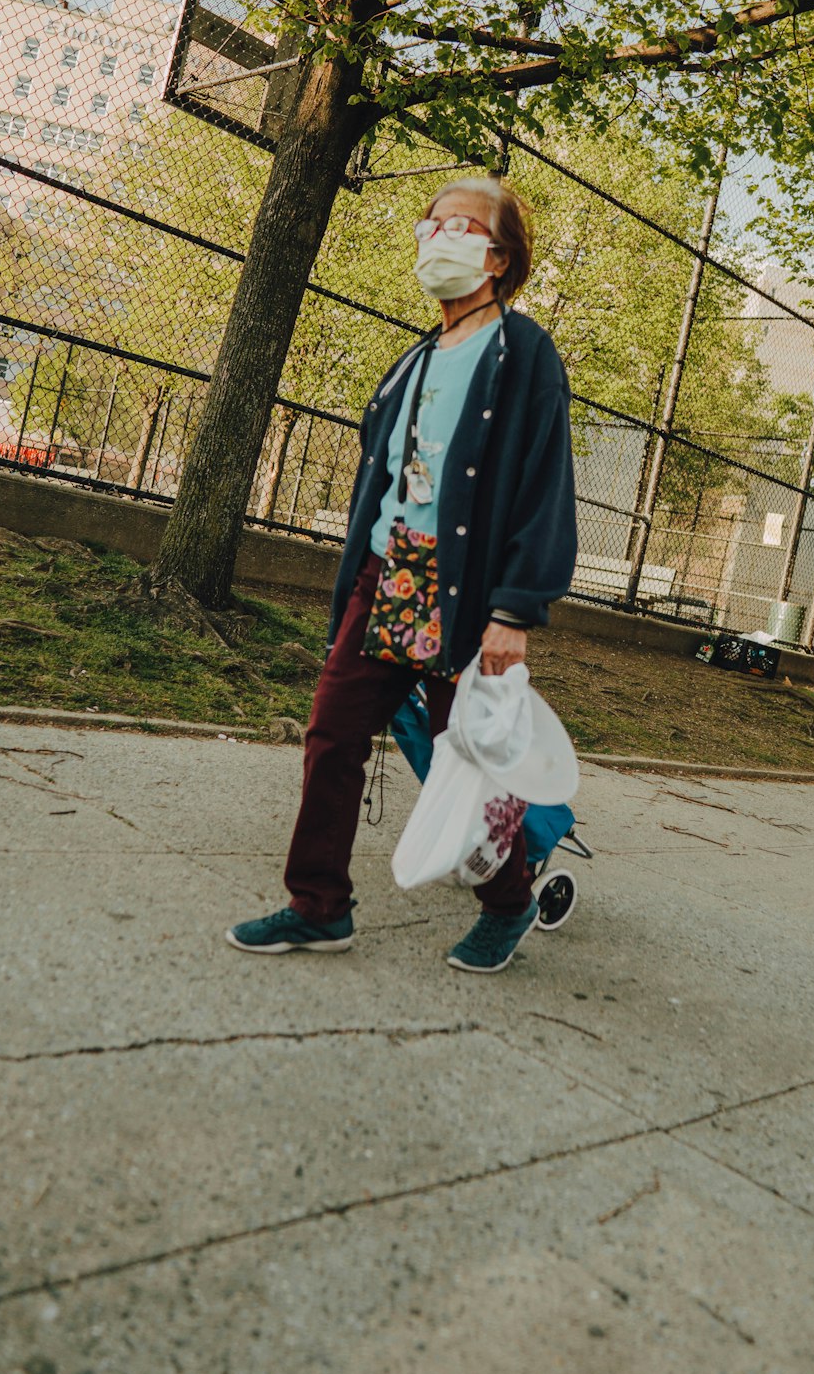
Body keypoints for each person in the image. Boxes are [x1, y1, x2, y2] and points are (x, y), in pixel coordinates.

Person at [227, 176, 578, 972]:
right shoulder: (413, 358)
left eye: (460, 223)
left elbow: (542, 486)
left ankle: (509, 900)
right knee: (333, 730)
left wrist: (515, 610)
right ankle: (318, 905)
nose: (436, 234)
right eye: (431, 222)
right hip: (386, 578)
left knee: (475, 755)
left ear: (497, 255)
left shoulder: (522, 354)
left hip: (466, 592)